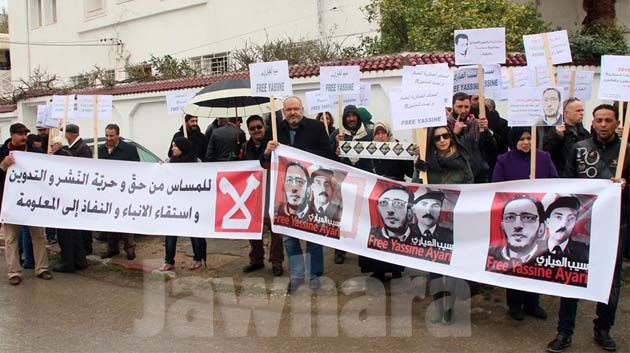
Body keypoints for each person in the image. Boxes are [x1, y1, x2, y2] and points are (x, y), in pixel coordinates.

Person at [547, 104, 628, 353]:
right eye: (599, 120)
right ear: (592, 123)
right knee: (572, 274)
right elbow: (567, 182)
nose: (603, 125)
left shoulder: (627, 153)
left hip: (616, 224)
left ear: (616, 123)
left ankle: (603, 329)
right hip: (581, 224)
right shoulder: (579, 149)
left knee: (611, 280)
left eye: (608, 120)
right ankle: (564, 331)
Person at [263, 96, 334, 294]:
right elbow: (263, 161)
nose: (293, 112)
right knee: (289, 236)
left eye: (296, 108)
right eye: (289, 109)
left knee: (313, 233)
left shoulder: (316, 128)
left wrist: (300, 155)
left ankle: (314, 276)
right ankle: (296, 276)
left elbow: (328, 155)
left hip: (311, 190)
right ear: (283, 112)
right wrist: (268, 151)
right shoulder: (275, 131)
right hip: (285, 193)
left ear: (302, 109)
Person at [491, 127, 556, 321]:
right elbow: (496, 186)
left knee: (534, 260)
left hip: (534, 220)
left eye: (529, 138)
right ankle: (515, 304)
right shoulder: (504, 160)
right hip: (515, 218)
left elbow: (555, 181)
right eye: (521, 139)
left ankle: (532, 303)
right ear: (514, 141)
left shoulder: (543, 158)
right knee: (515, 262)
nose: (526, 142)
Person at [0, 123, 53, 285]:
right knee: (11, 239)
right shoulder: (2, 152)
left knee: (38, 236)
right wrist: (3, 164)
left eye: (25, 134)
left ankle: (42, 268)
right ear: (12, 135)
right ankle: (14, 272)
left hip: (33, 202)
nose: (24, 137)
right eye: (20, 134)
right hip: (10, 202)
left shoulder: (33, 152)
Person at [359, 121, 411, 281]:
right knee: (376, 233)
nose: (381, 136)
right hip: (375, 196)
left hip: (395, 195)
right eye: (377, 133)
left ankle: (396, 268)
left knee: (395, 231)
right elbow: (359, 167)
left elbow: (409, 171)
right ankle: (378, 270)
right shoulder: (368, 150)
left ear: (388, 134)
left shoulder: (397, 147)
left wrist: (412, 155)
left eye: (383, 133)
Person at [242, 115, 284, 276]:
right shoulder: (245, 146)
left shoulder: (273, 144)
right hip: (253, 192)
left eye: (259, 127)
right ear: (249, 131)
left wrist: (267, 152)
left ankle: (276, 261)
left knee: (275, 228)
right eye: (252, 128)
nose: (256, 130)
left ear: (264, 127)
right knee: (253, 227)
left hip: (272, 190)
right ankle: (256, 260)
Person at [334, 104, 374, 264]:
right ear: (344, 119)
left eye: (353, 116)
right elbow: (330, 158)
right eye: (348, 116)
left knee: (363, 217)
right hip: (344, 183)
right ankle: (340, 250)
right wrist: (336, 146)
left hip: (364, 182)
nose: (351, 119)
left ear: (358, 117)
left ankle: (363, 248)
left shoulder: (368, 134)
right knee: (342, 217)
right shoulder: (337, 135)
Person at [160, 137, 207, 272]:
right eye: (172, 145)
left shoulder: (196, 162)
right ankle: (169, 261)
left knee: (195, 232)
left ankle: (198, 258)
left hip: (192, 203)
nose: (172, 148)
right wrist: (160, 168)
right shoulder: (169, 162)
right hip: (174, 204)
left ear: (183, 148)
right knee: (170, 233)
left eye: (175, 146)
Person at [98, 123, 140, 260]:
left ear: (118, 135)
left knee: (126, 220)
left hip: (125, 190)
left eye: (111, 135)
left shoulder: (129, 149)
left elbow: (137, 169)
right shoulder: (101, 150)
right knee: (110, 220)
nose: (109, 138)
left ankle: (129, 248)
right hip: (108, 191)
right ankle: (112, 248)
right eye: (107, 135)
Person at [47, 136, 89, 273]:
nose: (51, 147)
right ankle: (79, 260)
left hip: (64, 200)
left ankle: (67, 262)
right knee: (74, 232)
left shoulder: (61, 156)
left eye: (52, 144)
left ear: (57, 145)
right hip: (71, 198)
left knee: (65, 234)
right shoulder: (69, 154)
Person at [447, 92, 497, 183]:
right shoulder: (445, 125)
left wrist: (486, 131)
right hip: (456, 175)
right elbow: (444, 150)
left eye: (466, 107)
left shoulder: (477, 123)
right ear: (453, 106)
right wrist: (455, 134)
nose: (463, 110)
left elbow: (491, 149)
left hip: (478, 175)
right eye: (459, 107)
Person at [64, 123, 95, 255]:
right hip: (72, 192)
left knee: (83, 222)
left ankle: (86, 248)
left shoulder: (83, 149)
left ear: (70, 134)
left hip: (81, 191)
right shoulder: (71, 148)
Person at [490, 195, 547, 264]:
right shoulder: (489, 255)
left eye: (527, 218)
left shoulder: (551, 260)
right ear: (502, 226)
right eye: (510, 218)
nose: (517, 225)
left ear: (541, 229)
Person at [543, 97, 590, 173]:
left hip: (580, 174)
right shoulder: (553, 130)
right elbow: (546, 152)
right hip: (561, 176)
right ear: (566, 113)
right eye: (578, 111)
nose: (581, 113)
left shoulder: (584, 132)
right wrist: (557, 136)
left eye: (582, 110)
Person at [542, 195, 588, 263]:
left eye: (570, 218)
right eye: (558, 217)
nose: (564, 224)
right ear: (547, 222)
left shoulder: (585, 251)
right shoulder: (532, 251)